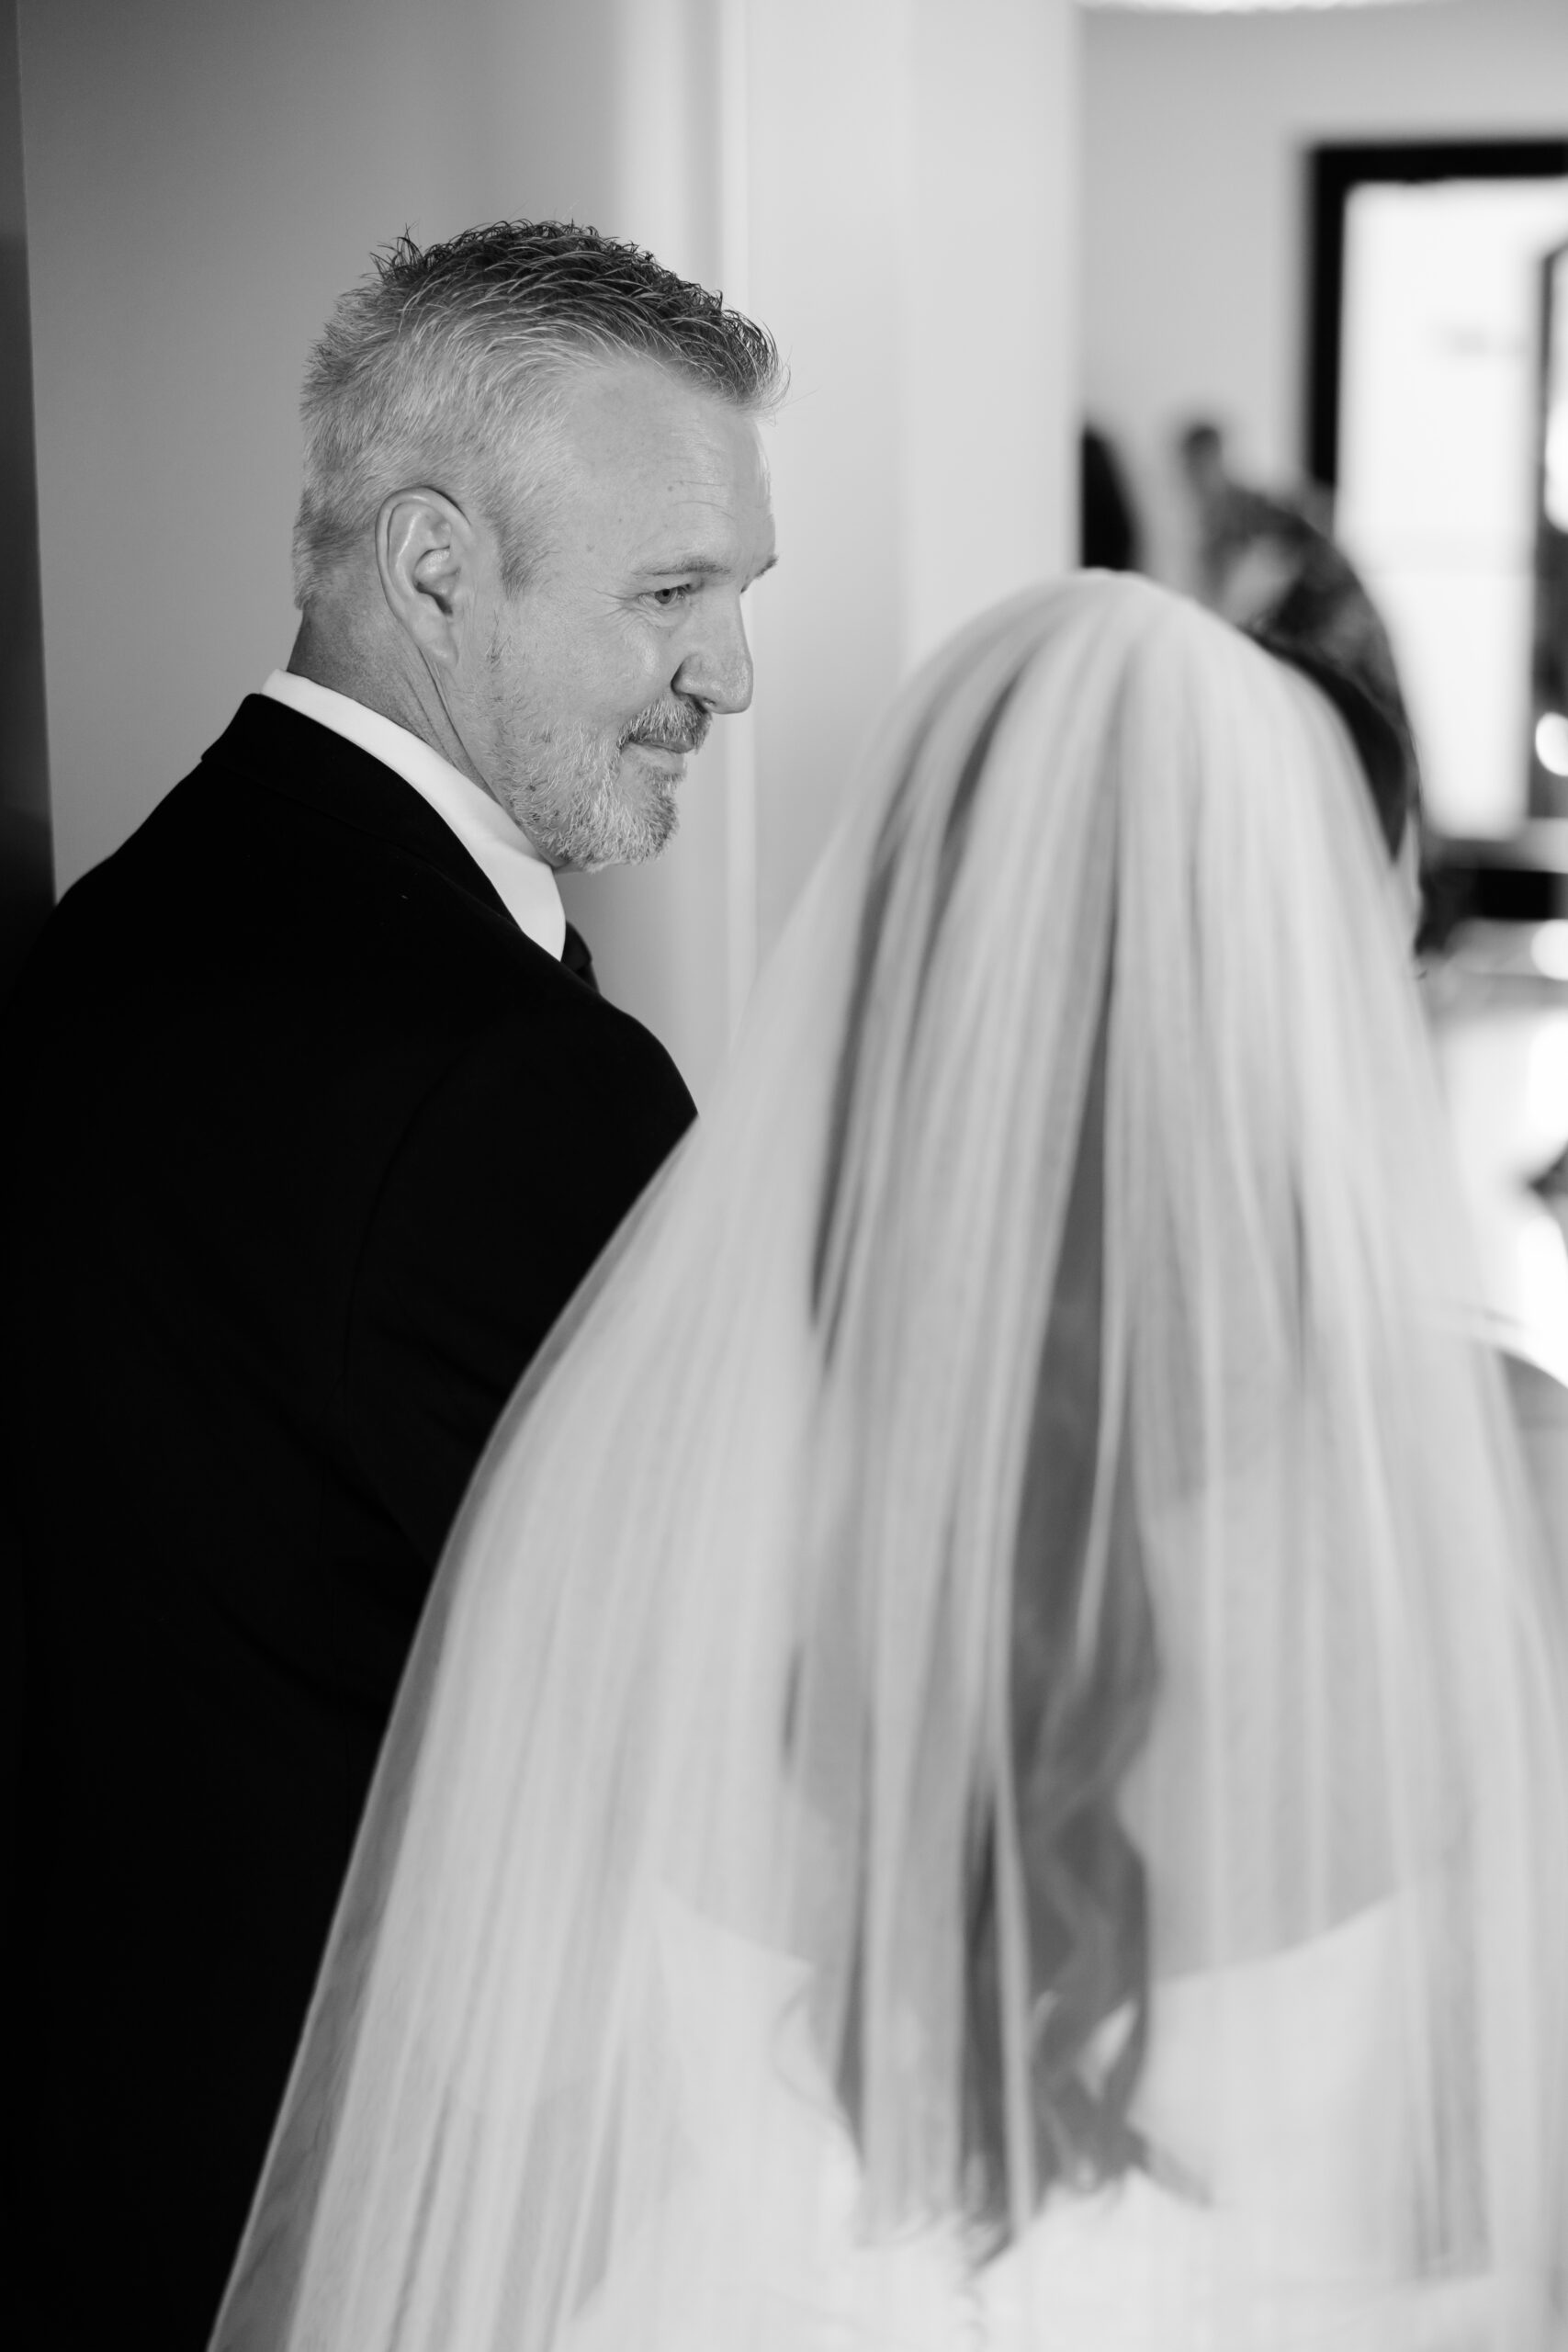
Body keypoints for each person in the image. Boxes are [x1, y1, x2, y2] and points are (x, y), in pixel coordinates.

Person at [211, 574, 1568, 2350]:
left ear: (896, 957)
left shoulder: (638, 1468)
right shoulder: (1490, 1494)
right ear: (1302, 989)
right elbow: (1488, 2163)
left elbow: (494, 2088)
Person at [3, 219, 779, 2347]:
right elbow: (720, 1712)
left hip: (98, 2139)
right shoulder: (507, 1080)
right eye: (670, 594)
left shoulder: (112, 932)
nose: (732, 675)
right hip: (363, 2201)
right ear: (437, 571)